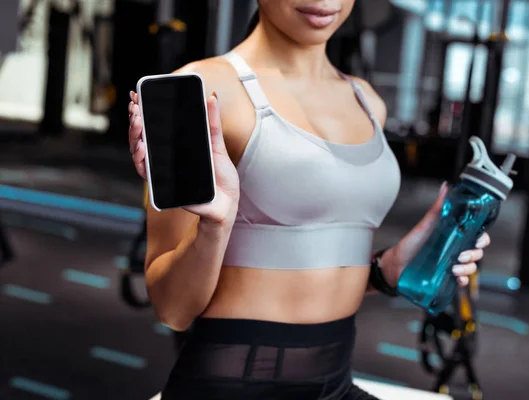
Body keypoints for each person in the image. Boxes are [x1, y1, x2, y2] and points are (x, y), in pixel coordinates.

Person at [127, 1, 490, 398]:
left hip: (335, 382)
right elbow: (172, 309)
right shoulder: (200, 88)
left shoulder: (367, 100)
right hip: (235, 385)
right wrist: (215, 226)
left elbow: (307, 263)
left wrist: (393, 265)